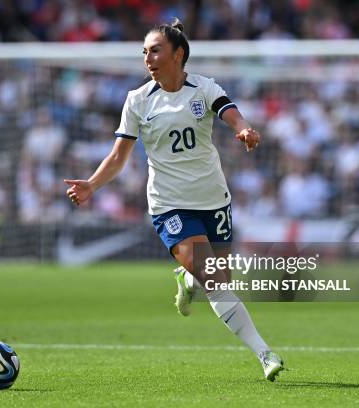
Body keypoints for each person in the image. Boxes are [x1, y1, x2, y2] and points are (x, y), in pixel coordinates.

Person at [64, 18, 284, 381]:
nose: (148, 58)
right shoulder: (137, 101)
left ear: (178, 54)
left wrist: (243, 129)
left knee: (217, 274)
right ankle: (265, 353)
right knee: (216, 280)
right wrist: (92, 184)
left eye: (155, 50)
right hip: (170, 205)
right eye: (144, 52)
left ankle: (186, 278)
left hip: (213, 198)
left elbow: (231, 113)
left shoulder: (203, 88)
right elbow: (119, 156)